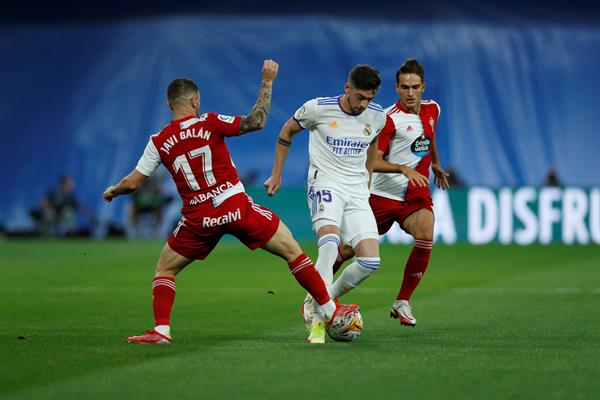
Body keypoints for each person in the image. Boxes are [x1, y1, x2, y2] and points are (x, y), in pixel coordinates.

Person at [103, 60, 354, 344]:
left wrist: (114, 190)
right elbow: (255, 122)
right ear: (195, 100)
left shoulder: (159, 140)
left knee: (165, 269)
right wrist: (267, 81)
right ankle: (331, 312)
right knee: (293, 252)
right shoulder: (208, 122)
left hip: (199, 219)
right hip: (235, 207)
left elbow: (134, 182)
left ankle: (161, 330)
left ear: (169, 104)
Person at [264, 64, 387, 343]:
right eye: (359, 97)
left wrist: (367, 179)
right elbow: (286, 132)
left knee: (370, 261)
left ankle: (318, 300)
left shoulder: (377, 116)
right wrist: (276, 174)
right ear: (347, 88)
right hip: (325, 183)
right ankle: (318, 324)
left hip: (356, 191)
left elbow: (373, 144)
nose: (363, 104)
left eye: (369, 98)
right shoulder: (318, 109)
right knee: (330, 244)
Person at [334, 58, 449, 327]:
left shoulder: (433, 109)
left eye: (415, 87)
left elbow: (428, 137)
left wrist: (435, 163)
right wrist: (402, 169)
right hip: (381, 197)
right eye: (405, 87)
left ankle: (402, 302)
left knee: (426, 230)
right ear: (397, 88)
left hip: (414, 196)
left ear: (423, 87)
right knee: (350, 249)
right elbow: (372, 161)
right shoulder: (387, 120)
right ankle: (316, 291)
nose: (410, 93)